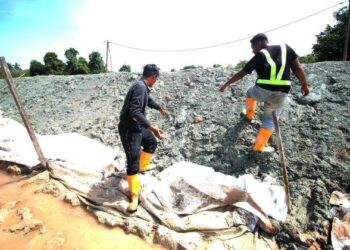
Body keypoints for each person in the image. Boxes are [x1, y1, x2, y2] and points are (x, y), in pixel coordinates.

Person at [219, 33, 309, 152]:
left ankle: (249, 115)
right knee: (270, 120)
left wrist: (226, 84)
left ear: (259, 43)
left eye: (252, 47)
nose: (252, 51)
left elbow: (241, 73)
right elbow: (297, 68)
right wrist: (304, 84)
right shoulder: (286, 49)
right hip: (282, 91)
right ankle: (258, 147)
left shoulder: (259, 55)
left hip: (261, 90)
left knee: (249, 92)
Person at [118, 64, 167, 212]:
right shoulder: (140, 87)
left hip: (138, 128)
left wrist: (159, 108)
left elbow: (148, 100)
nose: (156, 81)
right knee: (132, 160)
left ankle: (141, 167)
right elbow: (134, 111)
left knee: (151, 142)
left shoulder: (142, 87)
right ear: (153, 77)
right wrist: (152, 127)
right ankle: (134, 197)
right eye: (156, 79)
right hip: (129, 130)